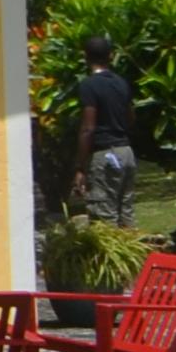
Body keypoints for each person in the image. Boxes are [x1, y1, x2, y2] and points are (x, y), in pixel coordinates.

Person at [73, 37, 139, 228]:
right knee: (126, 212)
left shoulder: (89, 85)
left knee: (105, 219)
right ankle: (132, 253)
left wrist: (80, 167)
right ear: (110, 56)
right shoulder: (121, 83)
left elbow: (88, 128)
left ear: (86, 57)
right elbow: (131, 117)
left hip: (105, 155)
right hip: (126, 153)